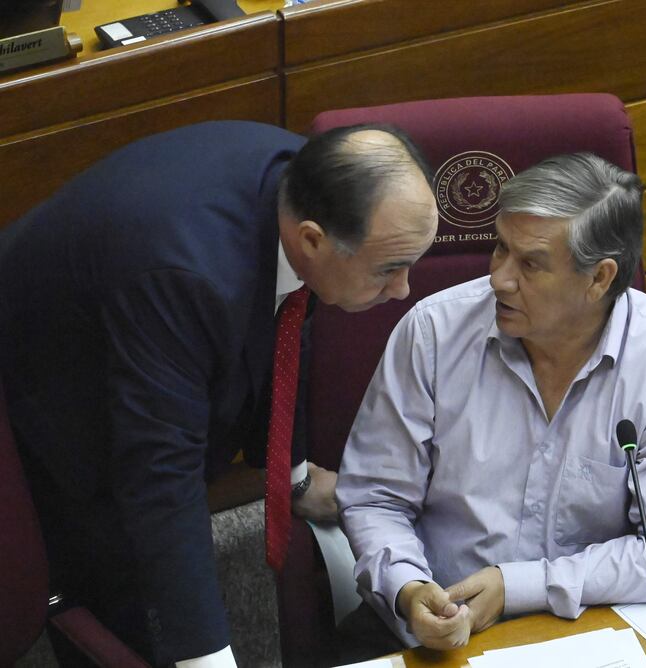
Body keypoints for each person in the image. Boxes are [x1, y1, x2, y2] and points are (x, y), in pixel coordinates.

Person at [0, 120, 438, 667]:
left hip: (133, 314)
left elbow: (287, 318)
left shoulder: (310, 183)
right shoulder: (189, 276)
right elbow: (161, 475)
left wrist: (291, 474)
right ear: (311, 240)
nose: (403, 291)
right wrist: (205, 656)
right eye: (389, 271)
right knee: (118, 583)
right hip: (41, 381)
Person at [336, 152, 646, 657]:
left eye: (531, 264)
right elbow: (375, 497)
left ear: (599, 279)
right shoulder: (433, 333)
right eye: (500, 248)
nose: (500, 277)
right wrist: (408, 590)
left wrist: (521, 586)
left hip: (583, 633)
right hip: (434, 630)